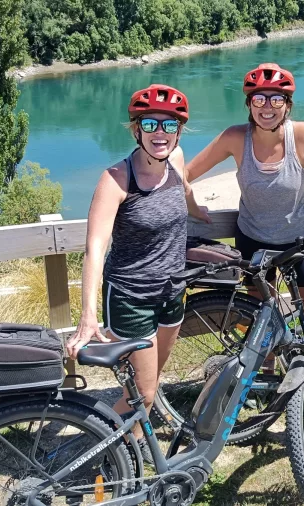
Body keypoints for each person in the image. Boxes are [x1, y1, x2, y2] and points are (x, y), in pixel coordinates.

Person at [66, 84, 209, 465]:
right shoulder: (116, 179)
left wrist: (199, 211)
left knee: (149, 382)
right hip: (130, 298)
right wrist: (87, 317)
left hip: (172, 292)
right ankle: (97, 455)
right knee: (141, 393)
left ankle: (127, 440)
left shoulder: (176, 159)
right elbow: (94, 248)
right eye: (150, 123)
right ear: (136, 130)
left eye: (169, 124)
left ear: (179, 131)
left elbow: (187, 191)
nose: (160, 132)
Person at [185, 63, 304, 347]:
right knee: (259, 318)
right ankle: (267, 375)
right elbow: (185, 174)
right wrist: (192, 207)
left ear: (288, 104)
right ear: (249, 104)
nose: (267, 107)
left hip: (299, 241)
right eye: (259, 99)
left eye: (276, 99)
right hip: (253, 242)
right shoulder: (235, 137)